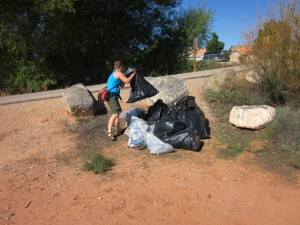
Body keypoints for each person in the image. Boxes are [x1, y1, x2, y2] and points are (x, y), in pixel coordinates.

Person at [106, 60, 137, 141]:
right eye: (122, 68)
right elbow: (127, 81)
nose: (123, 69)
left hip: (113, 96)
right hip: (112, 96)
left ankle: (119, 130)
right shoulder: (118, 72)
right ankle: (109, 132)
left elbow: (122, 85)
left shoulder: (115, 73)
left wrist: (124, 76)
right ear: (120, 67)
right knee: (115, 113)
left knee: (117, 113)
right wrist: (133, 74)